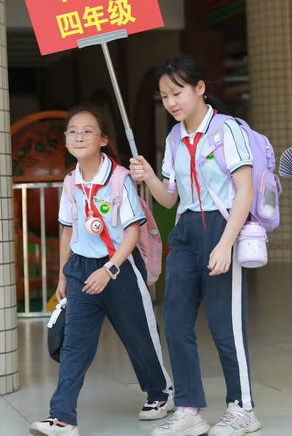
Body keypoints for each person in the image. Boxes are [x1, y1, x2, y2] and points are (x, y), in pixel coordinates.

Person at [130, 56, 261, 436]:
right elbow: (169, 199)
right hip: (186, 230)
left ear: (200, 88)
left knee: (225, 325)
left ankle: (243, 407)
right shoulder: (174, 138)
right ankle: (189, 409)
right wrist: (150, 176)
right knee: (175, 321)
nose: (171, 102)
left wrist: (225, 244)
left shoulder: (227, 131)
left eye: (177, 92)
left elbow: (245, 191)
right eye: (164, 96)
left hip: (224, 227)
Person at [30, 108, 173, 436]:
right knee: (75, 344)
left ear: (104, 140)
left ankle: (160, 393)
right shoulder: (70, 182)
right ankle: (62, 417)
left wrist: (109, 269)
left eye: (88, 131)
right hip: (81, 268)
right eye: (72, 132)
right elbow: (68, 229)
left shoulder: (119, 178)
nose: (79, 136)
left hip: (119, 266)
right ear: (66, 141)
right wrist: (64, 276)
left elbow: (133, 231)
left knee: (138, 335)